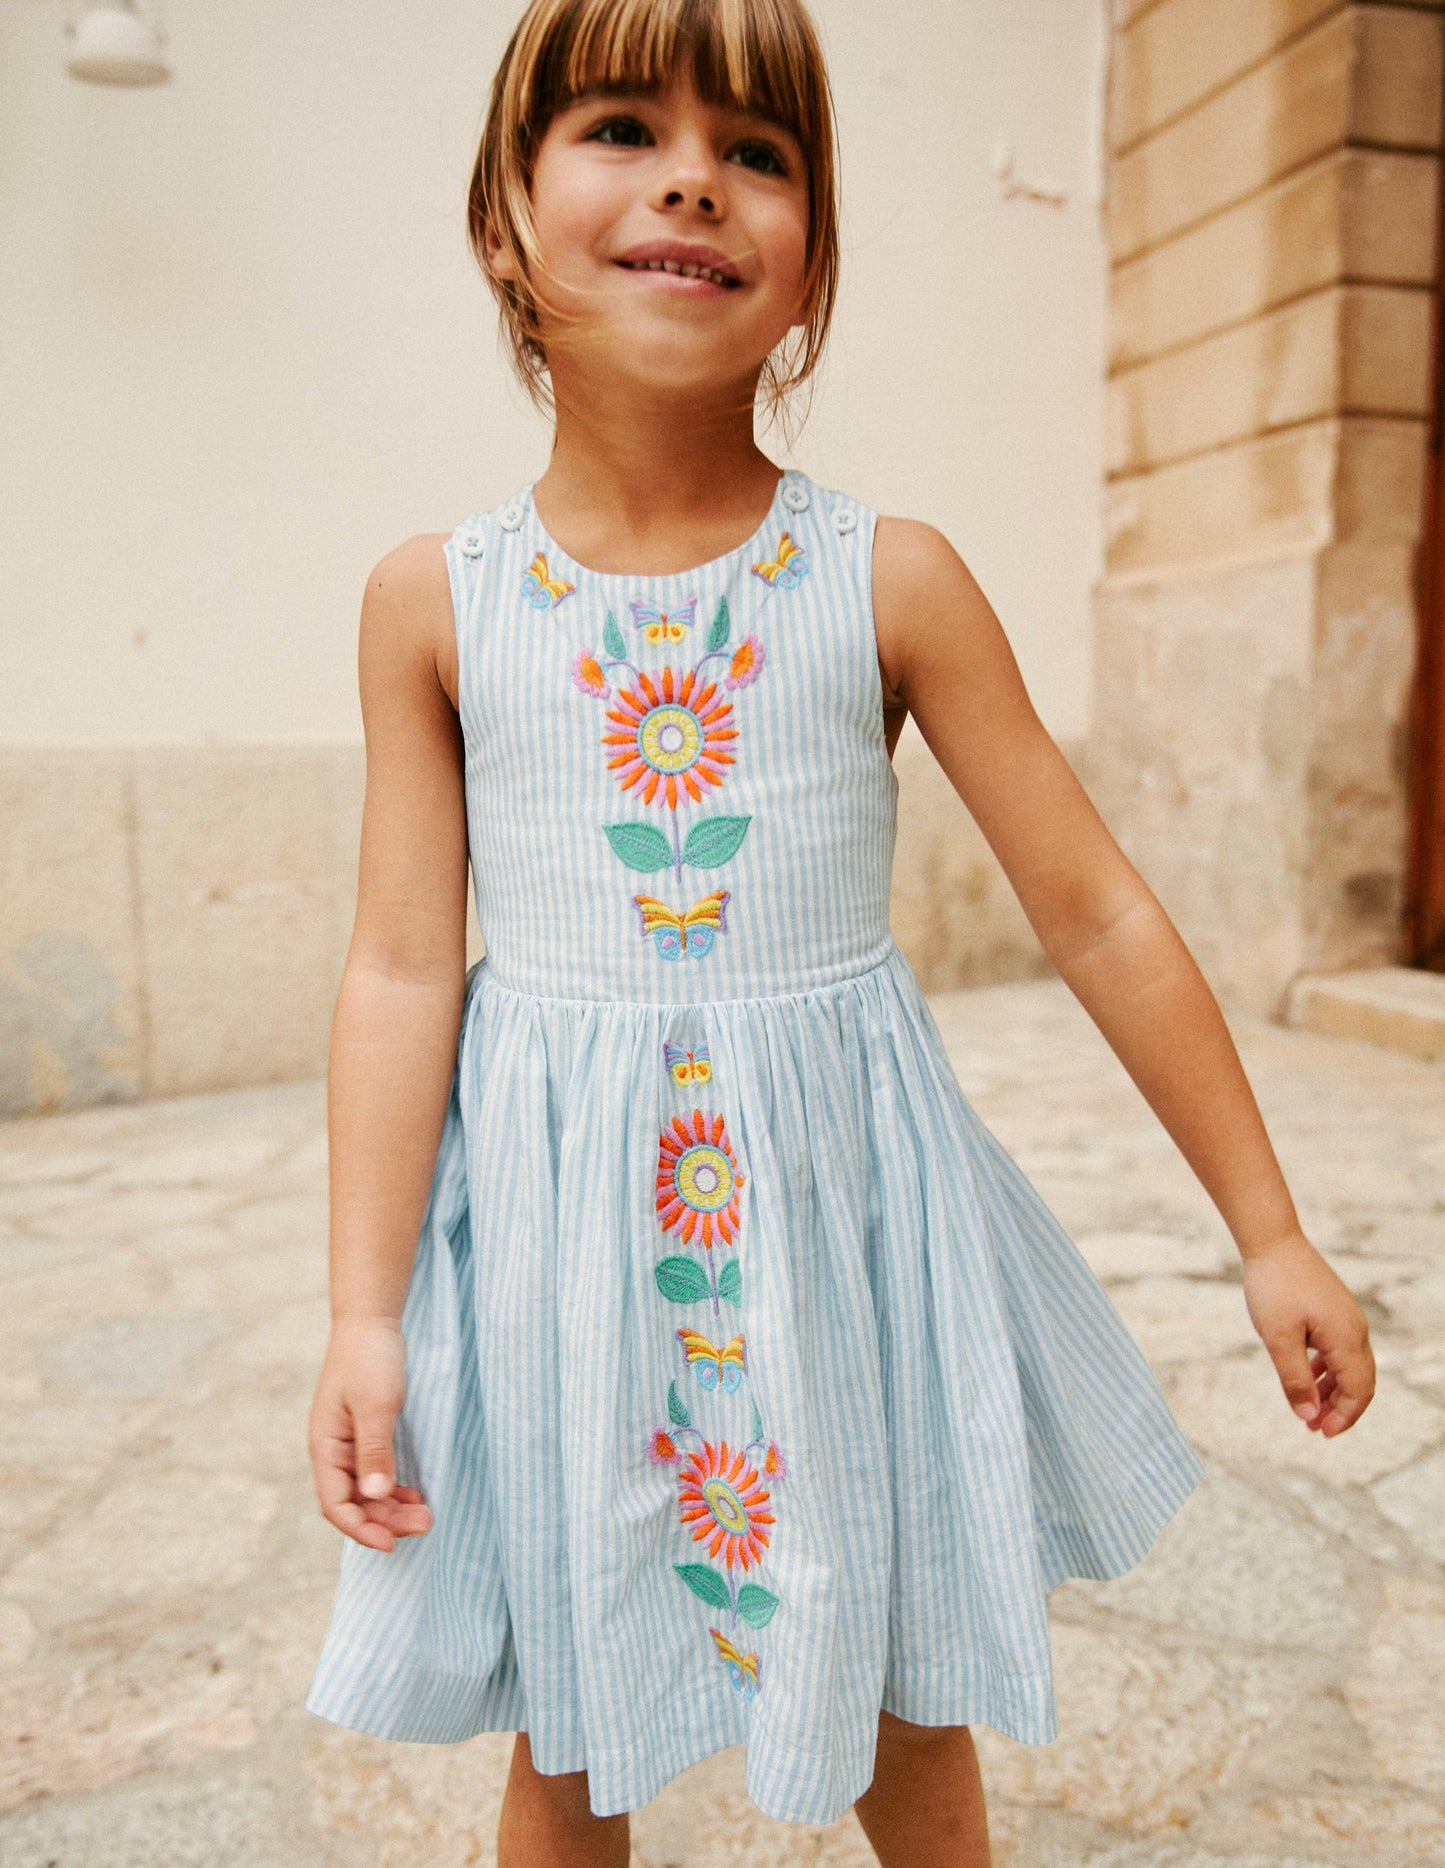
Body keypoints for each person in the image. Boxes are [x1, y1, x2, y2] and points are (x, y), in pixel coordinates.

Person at [302, 2, 1377, 1863]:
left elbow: (1098, 910)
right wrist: (360, 1310)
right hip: (562, 1248)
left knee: (896, 1680)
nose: (696, 177)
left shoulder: (889, 580)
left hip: (836, 1226)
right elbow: (402, 966)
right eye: (622, 129)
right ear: (504, 217)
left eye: (762, 151)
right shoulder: (434, 607)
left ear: (804, 270)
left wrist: (1266, 1228)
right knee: (573, 1717)